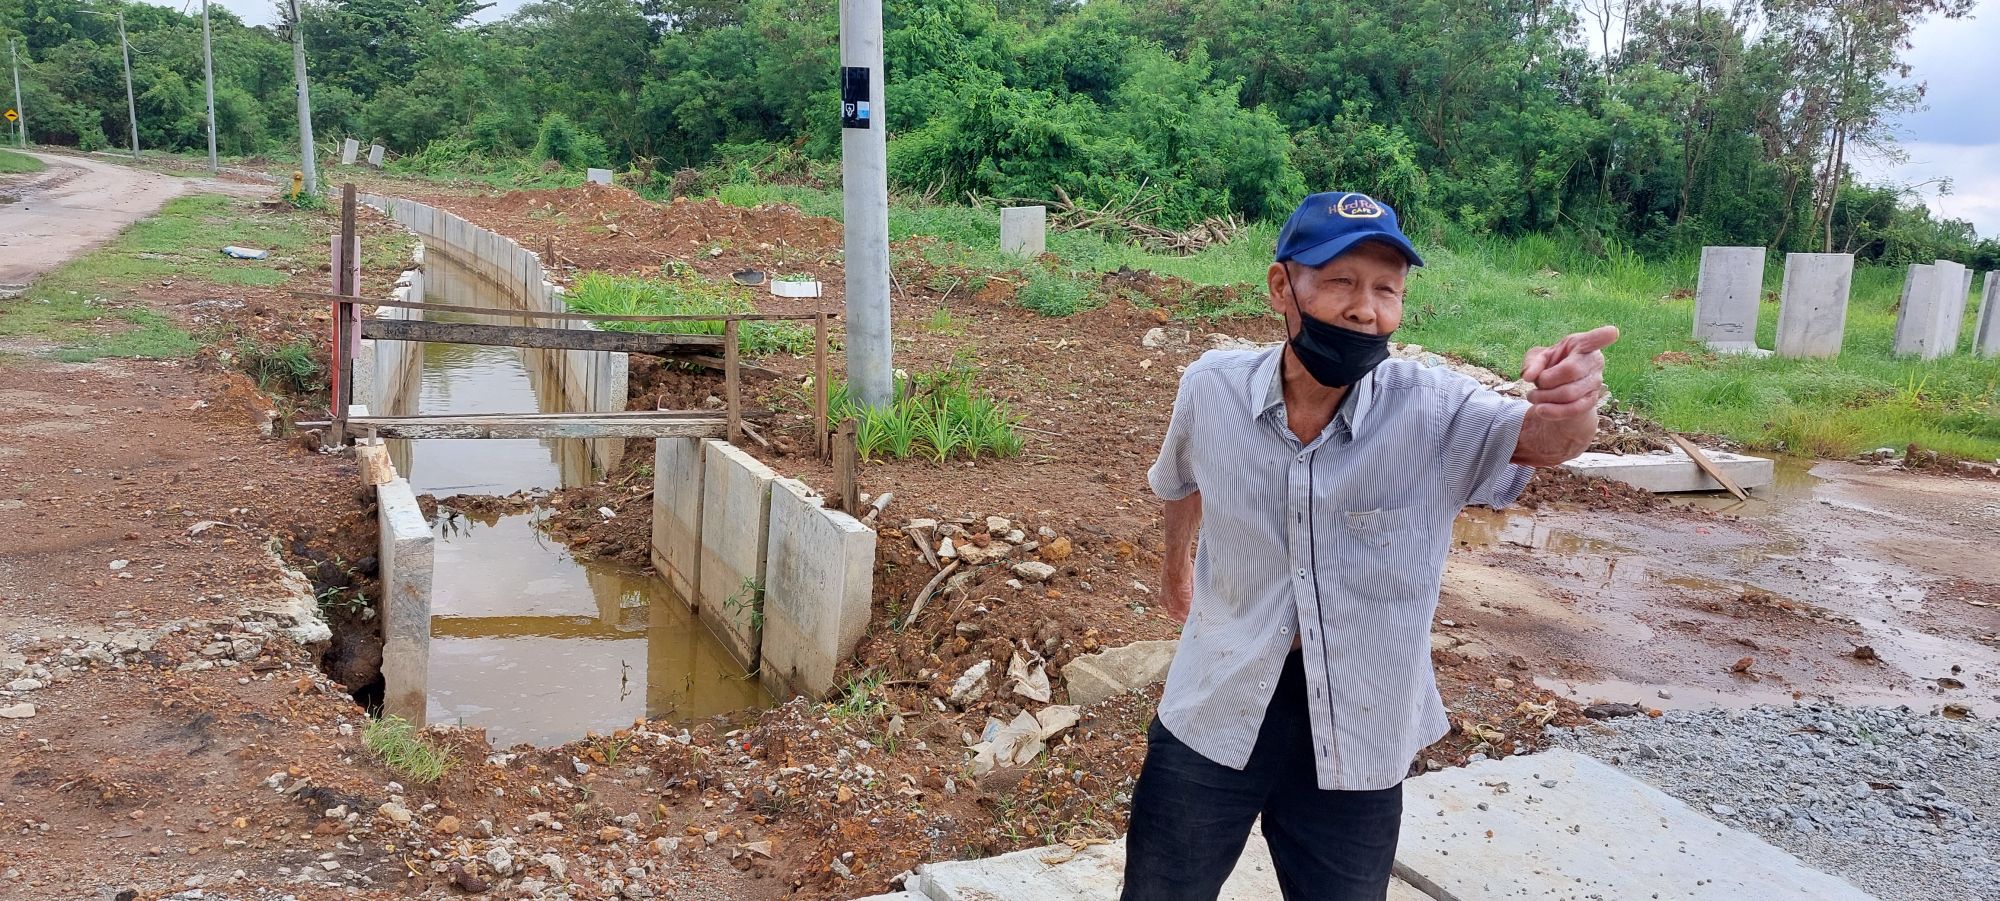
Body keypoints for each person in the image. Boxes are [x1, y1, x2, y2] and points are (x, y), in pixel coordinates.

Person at [1122, 191, 1617, 901]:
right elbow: (1178, 481)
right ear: (1281, 287)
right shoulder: (1212, 389)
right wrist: (1176, 573)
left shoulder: (1435, 412)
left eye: (1387, 289)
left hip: (1358, 726)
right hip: (1219, 694)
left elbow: (1540, 441)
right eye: (1341, 282)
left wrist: (1570, 404)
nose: (1365, 310)